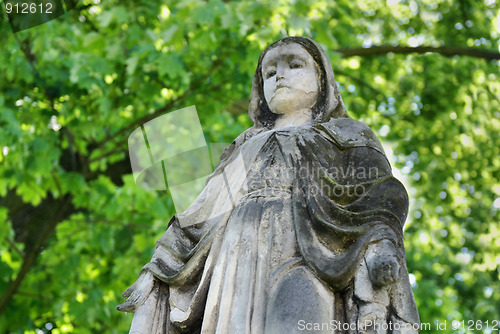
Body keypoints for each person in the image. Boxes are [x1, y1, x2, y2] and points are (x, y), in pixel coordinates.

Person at [117, 36, 420, 334]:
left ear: (322, 78)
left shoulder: (348, 134)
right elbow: (199, 216)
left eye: (295, 64)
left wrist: (382, 245)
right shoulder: (244, 145)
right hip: (234, 261)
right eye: (270, 72)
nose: (280, 75)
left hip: (313, 255)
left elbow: (379, 197)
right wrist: (157, 269)